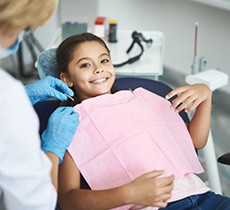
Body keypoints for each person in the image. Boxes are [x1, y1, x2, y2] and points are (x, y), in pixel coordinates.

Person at [39, 33, 230, 210]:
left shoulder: (145, 99)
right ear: (67, 79)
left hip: (204, 197)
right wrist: (127, 194)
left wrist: (205, 96)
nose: (98, 69)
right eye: (85, 65)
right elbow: (68, 200)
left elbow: (195, 141)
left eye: (104, 60)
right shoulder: (69, 122)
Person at [0, 0, 79, 209]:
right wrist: (52, 150)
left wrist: (24, 96)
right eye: (22, 27)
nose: (18, 37)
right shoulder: (7, 96)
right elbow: (36, 204)